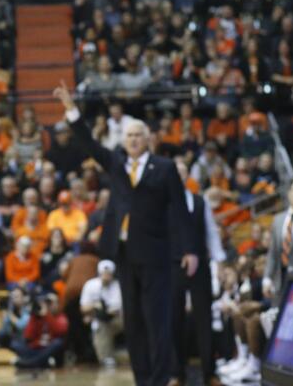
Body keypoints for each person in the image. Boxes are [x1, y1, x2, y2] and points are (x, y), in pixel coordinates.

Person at [55, 83, 195, 386]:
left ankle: (160, 378)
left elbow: (181, 212)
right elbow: (89, 144)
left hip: (156, 253)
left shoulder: (166, 167)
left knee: (156, 320)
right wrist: (71, 110)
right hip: (123, 252)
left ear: (148, 140)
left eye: (138, 135)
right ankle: (143, 379)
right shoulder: (116, 163)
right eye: (129, 135)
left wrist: (190, 250)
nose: (132, 139)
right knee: (132, 322)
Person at [173, 160, 226, 385]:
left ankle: (209, 372)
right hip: (172, 266)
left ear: (188, 177)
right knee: (173, 318)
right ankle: (176, 372)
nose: (179, 175)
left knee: (205, 317)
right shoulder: (162, 202)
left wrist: (220, 261)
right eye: (175, 172)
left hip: (200, 264)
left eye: (183, 172)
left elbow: (211, 233)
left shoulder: (199, 201)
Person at [79, 260, 123, 367]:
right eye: (104, 273)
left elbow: (116, 309)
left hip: (117, 319)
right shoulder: (90, 285)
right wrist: (95, 307)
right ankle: (106, 358)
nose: (106, 276)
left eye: (109, 274)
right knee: (99, 325)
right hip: (98, 319)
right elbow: (83, 308)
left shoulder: (117, 286)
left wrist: (103, 311)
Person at [13, 293, 68, 369]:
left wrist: (47, 315)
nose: (49, 305)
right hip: (36, 349)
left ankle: (32, 363)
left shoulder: (61, 317)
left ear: (57, 304)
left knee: (58, 342)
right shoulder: (36, 317)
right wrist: (34, 317)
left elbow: (59, 331)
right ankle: (40, 362)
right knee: (15, 343)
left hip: (48, 349)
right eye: (47, 303)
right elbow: (28, 337)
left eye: (51, 303)